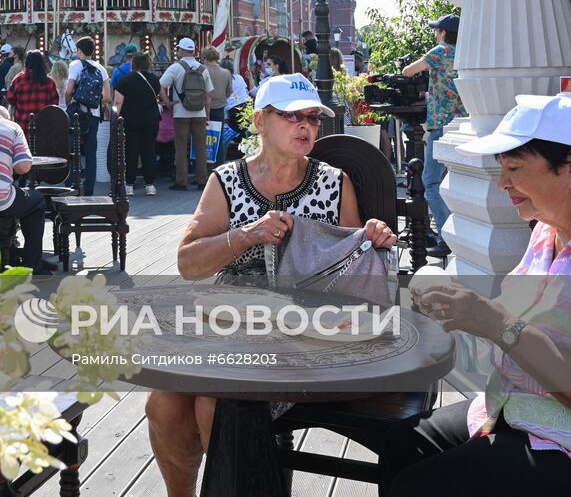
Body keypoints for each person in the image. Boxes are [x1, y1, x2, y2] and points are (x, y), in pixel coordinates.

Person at [381, 94, 571, 497]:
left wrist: (496, 324)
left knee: (420, 486)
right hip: (538, 409)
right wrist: (463, 309)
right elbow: (527, 327)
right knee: (402, 444)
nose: (502, 183)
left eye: (514, 168)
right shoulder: (551, 226)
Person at [146, 74, 397, 496]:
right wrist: (246, 234)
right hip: (226, 321)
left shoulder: (334, 183)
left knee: (214, 403)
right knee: (164, 401)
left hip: (301, 333)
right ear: (261, 120)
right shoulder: (226, 181)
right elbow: (188, 263)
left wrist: (372, 235)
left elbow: (352, 269)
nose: (306, 126)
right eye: (292, 116)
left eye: (313, 118)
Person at [402, 13, 465, 257]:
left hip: (441, 126)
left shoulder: (440, 51)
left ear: (443, 34)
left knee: (430, 183)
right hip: (461, 124)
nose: (436, 34)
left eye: (437, 30)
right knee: (451, 184)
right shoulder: (463, 53)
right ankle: (455, 232)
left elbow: (409, 71)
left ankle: (447, 237)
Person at [0, 105, 50, 272]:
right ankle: (32, 264)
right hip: (0, 200)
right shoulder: (13, 127)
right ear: (7, 118)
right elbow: (23, 167)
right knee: (36, 202)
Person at [159, 37, 212, 191]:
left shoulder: (176, 68)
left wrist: (168, 102)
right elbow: (208, 95)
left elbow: (161, 86)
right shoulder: (203, 68)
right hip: (200, 113)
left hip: (181, 113)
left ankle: (181, 181)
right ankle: (202, 180)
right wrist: (207, 114)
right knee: (200, 147)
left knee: (181, 147)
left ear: (181, 51)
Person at [63, 36, 110, 195]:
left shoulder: (75, 64)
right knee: (91, 151)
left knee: (73, 149)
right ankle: (89, 189)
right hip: (94, 114)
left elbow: (69, 90)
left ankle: (71, 185)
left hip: (77, 113)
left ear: (80, 51)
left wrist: (70, 103)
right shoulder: (101, 68)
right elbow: (107, 96)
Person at [112, 51, 162, 196]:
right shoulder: (154, 79)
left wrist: (115, 120)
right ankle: (150, 185)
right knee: (149, 151)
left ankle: (129, 185)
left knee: (130, 152)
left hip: (130, 121)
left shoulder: (125, 80)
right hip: (151, 121)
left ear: (133, 64)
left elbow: (118, 102)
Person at [202, 46, 248, 165]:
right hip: (220, 107)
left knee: (203, 139)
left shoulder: (203, 70)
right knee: (219, 137)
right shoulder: (226, 73)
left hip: (204, 108)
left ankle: (205, 167)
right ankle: (219, 165)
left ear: (205, 57)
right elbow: (229, 91)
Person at [6, 50, 59, 135]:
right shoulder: (49, 82)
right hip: (43, 126)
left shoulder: (18, 79)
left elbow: (10, 99)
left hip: (22, 125)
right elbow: (55, 104)